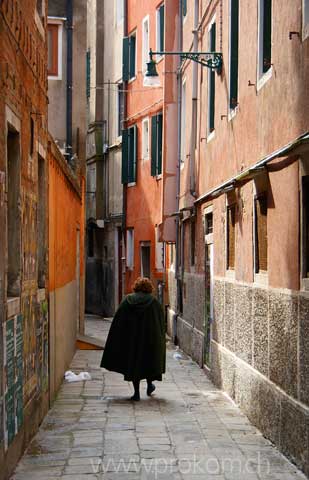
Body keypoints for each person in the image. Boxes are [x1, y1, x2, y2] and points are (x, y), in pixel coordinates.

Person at [100, 277, 166, 401]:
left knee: (134, 364)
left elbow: (119, 321)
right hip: (149, 340)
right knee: (148, 362)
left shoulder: (127, 301)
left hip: (132, 340)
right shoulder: (154, 302)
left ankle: (136, 393)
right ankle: (149, 385)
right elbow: (160, 322)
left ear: (136, 287)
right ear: (149, 288)